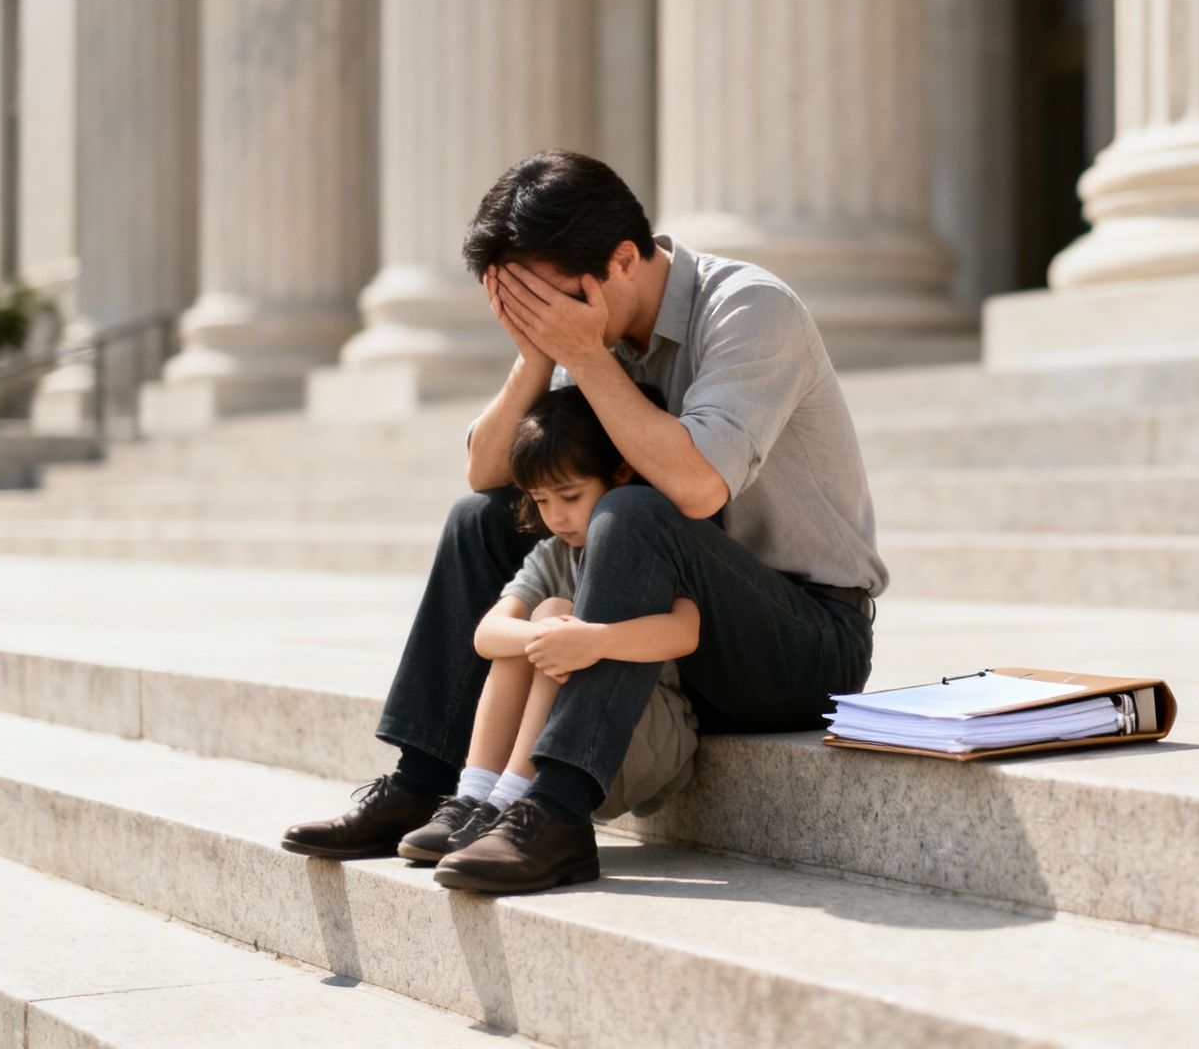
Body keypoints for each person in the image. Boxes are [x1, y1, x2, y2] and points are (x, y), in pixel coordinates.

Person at [282, 150, 884, 894]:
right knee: (482, 518)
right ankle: (429, 783)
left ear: (622, 259)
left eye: (549, 299)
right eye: (521, 304)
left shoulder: (751, 310)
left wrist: (582, 357)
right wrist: (536, 359)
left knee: (634, 508)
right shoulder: (583, 334)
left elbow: (696, 487)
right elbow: (487, 471)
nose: (544, 318)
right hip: (655, 638)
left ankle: (556, 811)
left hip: (797, 644)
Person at [393, 383, 700, 876]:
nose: (556, 516)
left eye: (571, 496)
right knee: (542, 616)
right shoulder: (554, 554)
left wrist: (594, 641)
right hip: (564, 745)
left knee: (552, 612)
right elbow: (487, 633)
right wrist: (551, 636)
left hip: (642, 734)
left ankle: (509, 800)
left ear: (618, 474)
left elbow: (686, 631)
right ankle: (476, 796)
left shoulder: (643, 541)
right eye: (540, 500)